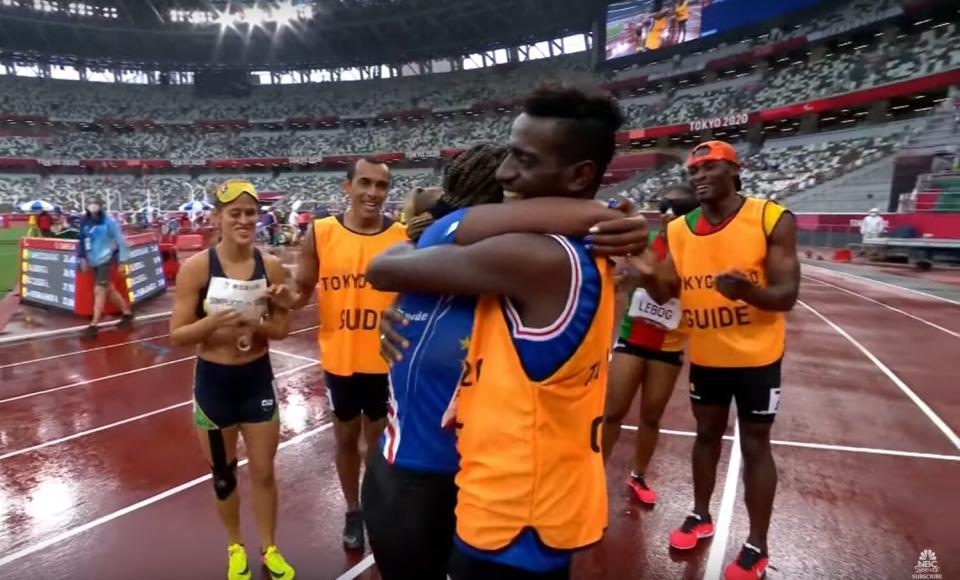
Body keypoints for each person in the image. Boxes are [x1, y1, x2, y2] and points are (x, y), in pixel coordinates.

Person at [365, 84, 635, 580]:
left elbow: (385, 267)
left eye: (523, 160)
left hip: (511, 515)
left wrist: (607, 215)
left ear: (579, 175)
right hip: (510, 500)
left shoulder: (532, 257)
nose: (505, 173)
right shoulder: (569, 256)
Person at [624, 140, 799, 580]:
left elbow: (786, 295)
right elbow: (665, 290)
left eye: (709, 167)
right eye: (693, 171)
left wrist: (748, 292)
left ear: (734, 172)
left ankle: (757, 543)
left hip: (758, 356)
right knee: (705, 436)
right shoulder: (678, 230)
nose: (699, 176)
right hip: (706, 355)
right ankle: (700, 515)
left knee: (756, 445)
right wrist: (643, 270)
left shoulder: (770, 218)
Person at [168, 179, 296, 580]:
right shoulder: (197, 268)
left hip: (256, 381)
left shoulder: (270, 265)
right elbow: (176, 335)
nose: (243, 220)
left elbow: (280, 332)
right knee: (223, 475)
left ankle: (270, 548)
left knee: (263, 471)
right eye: (234, 213)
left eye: (250, 213)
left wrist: (277, 311)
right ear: (217, 218)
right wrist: (213, 322)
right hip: (214, 385)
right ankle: (235, 547)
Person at [286, 158, 408, 550]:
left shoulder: (403, 237)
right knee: (344, 439)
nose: (373, 193)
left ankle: (373, 507)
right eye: (365, 184)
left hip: (384, 360)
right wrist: (268, 295)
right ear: (347, 187)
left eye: (381, 186)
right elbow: (300, 290)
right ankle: (352, 511)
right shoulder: (321, 232)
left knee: (377, 442)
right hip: (339, 359)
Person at [601, 183, 699, 505]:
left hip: (668, 347)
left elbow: (666, 290)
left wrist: (642, 271)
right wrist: (624, 280)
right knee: (613, 411)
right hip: (632, 336)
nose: (669, 214)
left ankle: (638, 475)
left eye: (678, 209)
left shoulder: (696, 251)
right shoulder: (649, 243)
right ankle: (594, 472)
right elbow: (633, 279)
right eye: (664, 208)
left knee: (651, 417)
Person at [77, 198, 133, 338]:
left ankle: (94, 325)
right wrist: (82, 257)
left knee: (99, 291)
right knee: (110, 290)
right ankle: (127, 313)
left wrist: (122, 261)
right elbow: (82, 239)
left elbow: (121, 241)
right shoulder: (85, 221)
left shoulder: (110, 222)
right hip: (92, 260)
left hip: (105, 260)